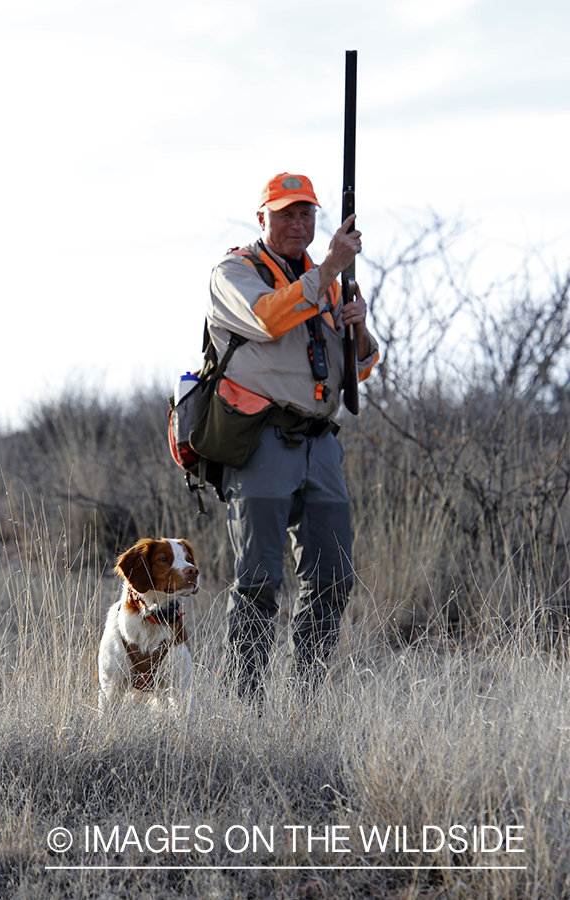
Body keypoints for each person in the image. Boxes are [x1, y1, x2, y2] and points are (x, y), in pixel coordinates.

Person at [207, 172, 378, 699]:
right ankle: (248, 708)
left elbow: (361, 367)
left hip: (321, 443)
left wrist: (358, 327)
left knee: (333, 578)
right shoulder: (234, 272)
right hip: (261, 439)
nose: (298, 224)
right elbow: (269, 318)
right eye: (285, 213)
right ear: (262, 218)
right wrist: (329, 268)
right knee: (259, 579)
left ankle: (306, 699)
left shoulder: (328, 283)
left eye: (306, 214)